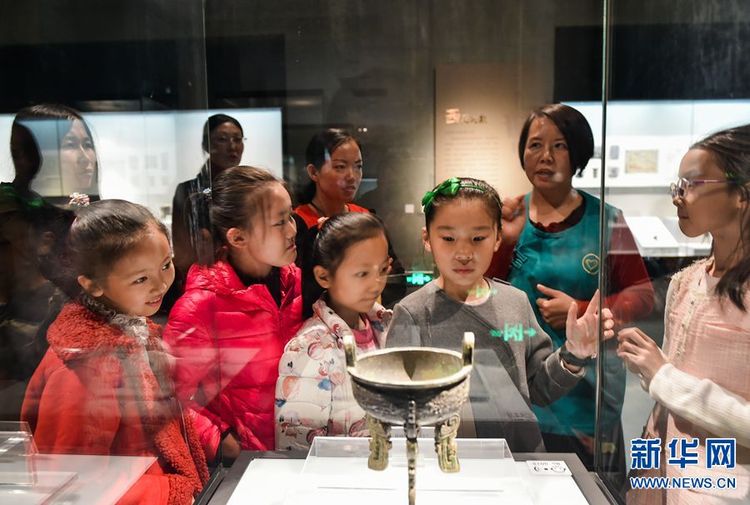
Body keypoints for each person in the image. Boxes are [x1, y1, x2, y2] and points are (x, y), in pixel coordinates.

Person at [486, 103, 654, 474]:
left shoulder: (606, 220)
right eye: (535, 145)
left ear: (577, 153)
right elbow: (481, 293)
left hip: (586, 397)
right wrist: (503, 243)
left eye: (559, 145)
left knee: (587, 486)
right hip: (520, 390)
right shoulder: (507, 216)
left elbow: (642, 294)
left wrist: (577, 309)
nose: (545, 156)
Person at [386, 176, 615, 449]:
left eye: (478, 238)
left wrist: (574, 353)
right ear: (427, 239)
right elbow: (397, 408)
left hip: (518, 452)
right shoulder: (412, 312)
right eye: (448, 238)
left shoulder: (516, 302)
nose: (463, 252)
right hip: (444, 458)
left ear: (497, 238)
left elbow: (538, 389)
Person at [21, 200, 208, 505]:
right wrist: (172, 492)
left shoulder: (132, 331)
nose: (161, 284)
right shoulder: (84, 367)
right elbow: (72, 486)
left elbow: (159, 427)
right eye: (141, 279)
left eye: (166, 265)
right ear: (93, 285)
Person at [618, 125, 750, 505]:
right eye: (678, 185)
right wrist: (643, 481)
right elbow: (665, 398)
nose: (678, 197)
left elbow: (669, 382)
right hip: (664, 477)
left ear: (741, 194)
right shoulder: (685, 282)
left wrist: (662, 375)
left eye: (692, 184)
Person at [164, 166, 302, 463]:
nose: (292, 230)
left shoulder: (297, 284)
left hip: (303, 452)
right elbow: (172, 399)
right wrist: (224, 443)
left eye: (290, 216)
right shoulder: (200, 306)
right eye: (279, 223)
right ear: (238, 238)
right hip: (248, 465)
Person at [276, 212, 392, 450]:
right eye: (362, 274)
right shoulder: (309, 347)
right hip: (340, 470)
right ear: (323, 276)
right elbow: (296, 446)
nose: (376, 283)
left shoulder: (385, 326)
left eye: (382, 270)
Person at [294, 128, 404, 314]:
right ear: (313, 172)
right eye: (340, 167)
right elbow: (297, 290)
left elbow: (397, 280)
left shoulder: (367, 218)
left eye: (358, 166)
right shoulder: (298, 223)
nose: (352, 176)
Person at [170, 114, 245, 303]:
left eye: (237, 139)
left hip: (246, 281)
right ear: (206, 145)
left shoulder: (248, 188)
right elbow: (183, 251)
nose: (232, 146)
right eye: (222, 139)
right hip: (204, 284)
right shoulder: (188, 191)